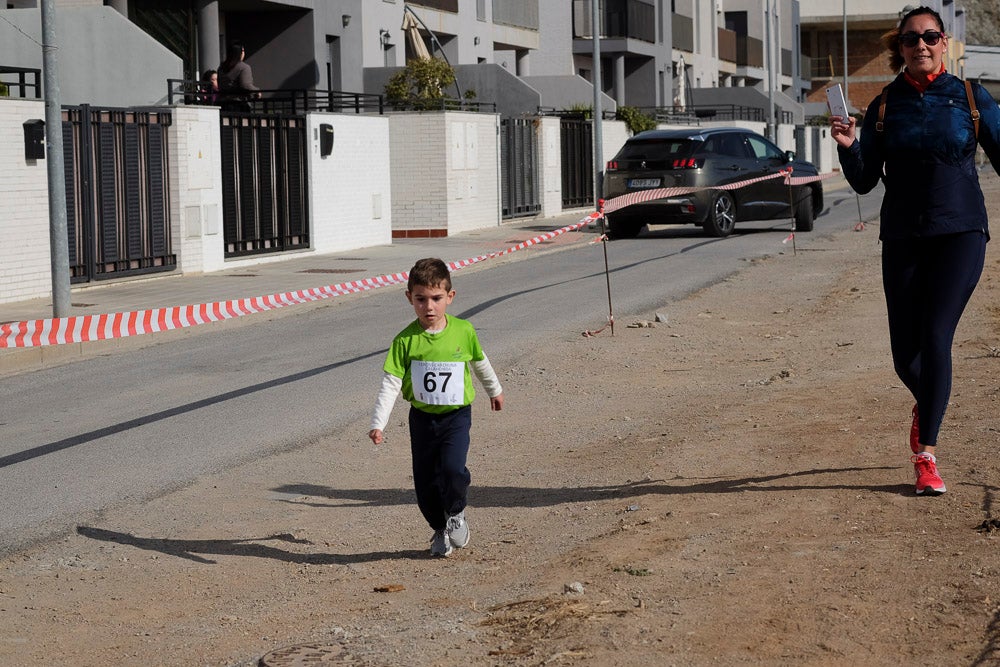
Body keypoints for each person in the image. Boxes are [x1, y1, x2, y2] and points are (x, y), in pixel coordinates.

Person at [830, 5, 1000, 496]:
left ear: (943, 42)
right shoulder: (885, 104)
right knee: (905, 353)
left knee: (936, 333)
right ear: (899, 48)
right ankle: (927, 400)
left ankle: (926, 455)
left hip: (961, 232)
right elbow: (864, 181)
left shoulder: (972, 96)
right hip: (903, 234)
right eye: (910, 39)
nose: (920, 45)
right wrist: (847, 145)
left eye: (930, 36)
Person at [369, 258, 504, 557]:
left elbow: (479, 362)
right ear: (409, 298)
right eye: (421, 299)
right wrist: (378, 423)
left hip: (456, 416)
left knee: (453, 469)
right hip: (422, 419)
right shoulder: (404, 341)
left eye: (436, 298)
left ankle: (456, 512)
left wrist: (494, 390)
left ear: (450, 297)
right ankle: (438, 529)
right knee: (425, 481)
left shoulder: (463, 331)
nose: (429, 307)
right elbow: (390, 383)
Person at [217, 41, 260, 111]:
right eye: (243, 50)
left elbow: (220, 85)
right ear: (240, 52)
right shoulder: (244, 67)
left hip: (222, 103)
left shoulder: (221, 68)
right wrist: (257, 91)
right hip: (239, 104)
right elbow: (246, 85)